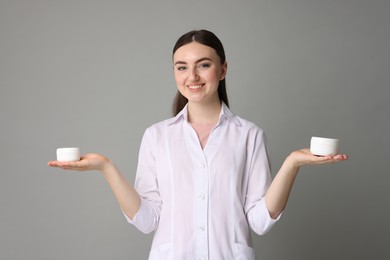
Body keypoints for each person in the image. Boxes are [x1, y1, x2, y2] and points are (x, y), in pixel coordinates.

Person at [48, 29, 348, 259]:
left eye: (203, 65)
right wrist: (105, 167)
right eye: (181, 67)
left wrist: (292, 163)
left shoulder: (249, 135)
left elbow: (259, 221)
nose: (192, 76)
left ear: (223, 69)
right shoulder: (157, 136)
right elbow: (147, 220)